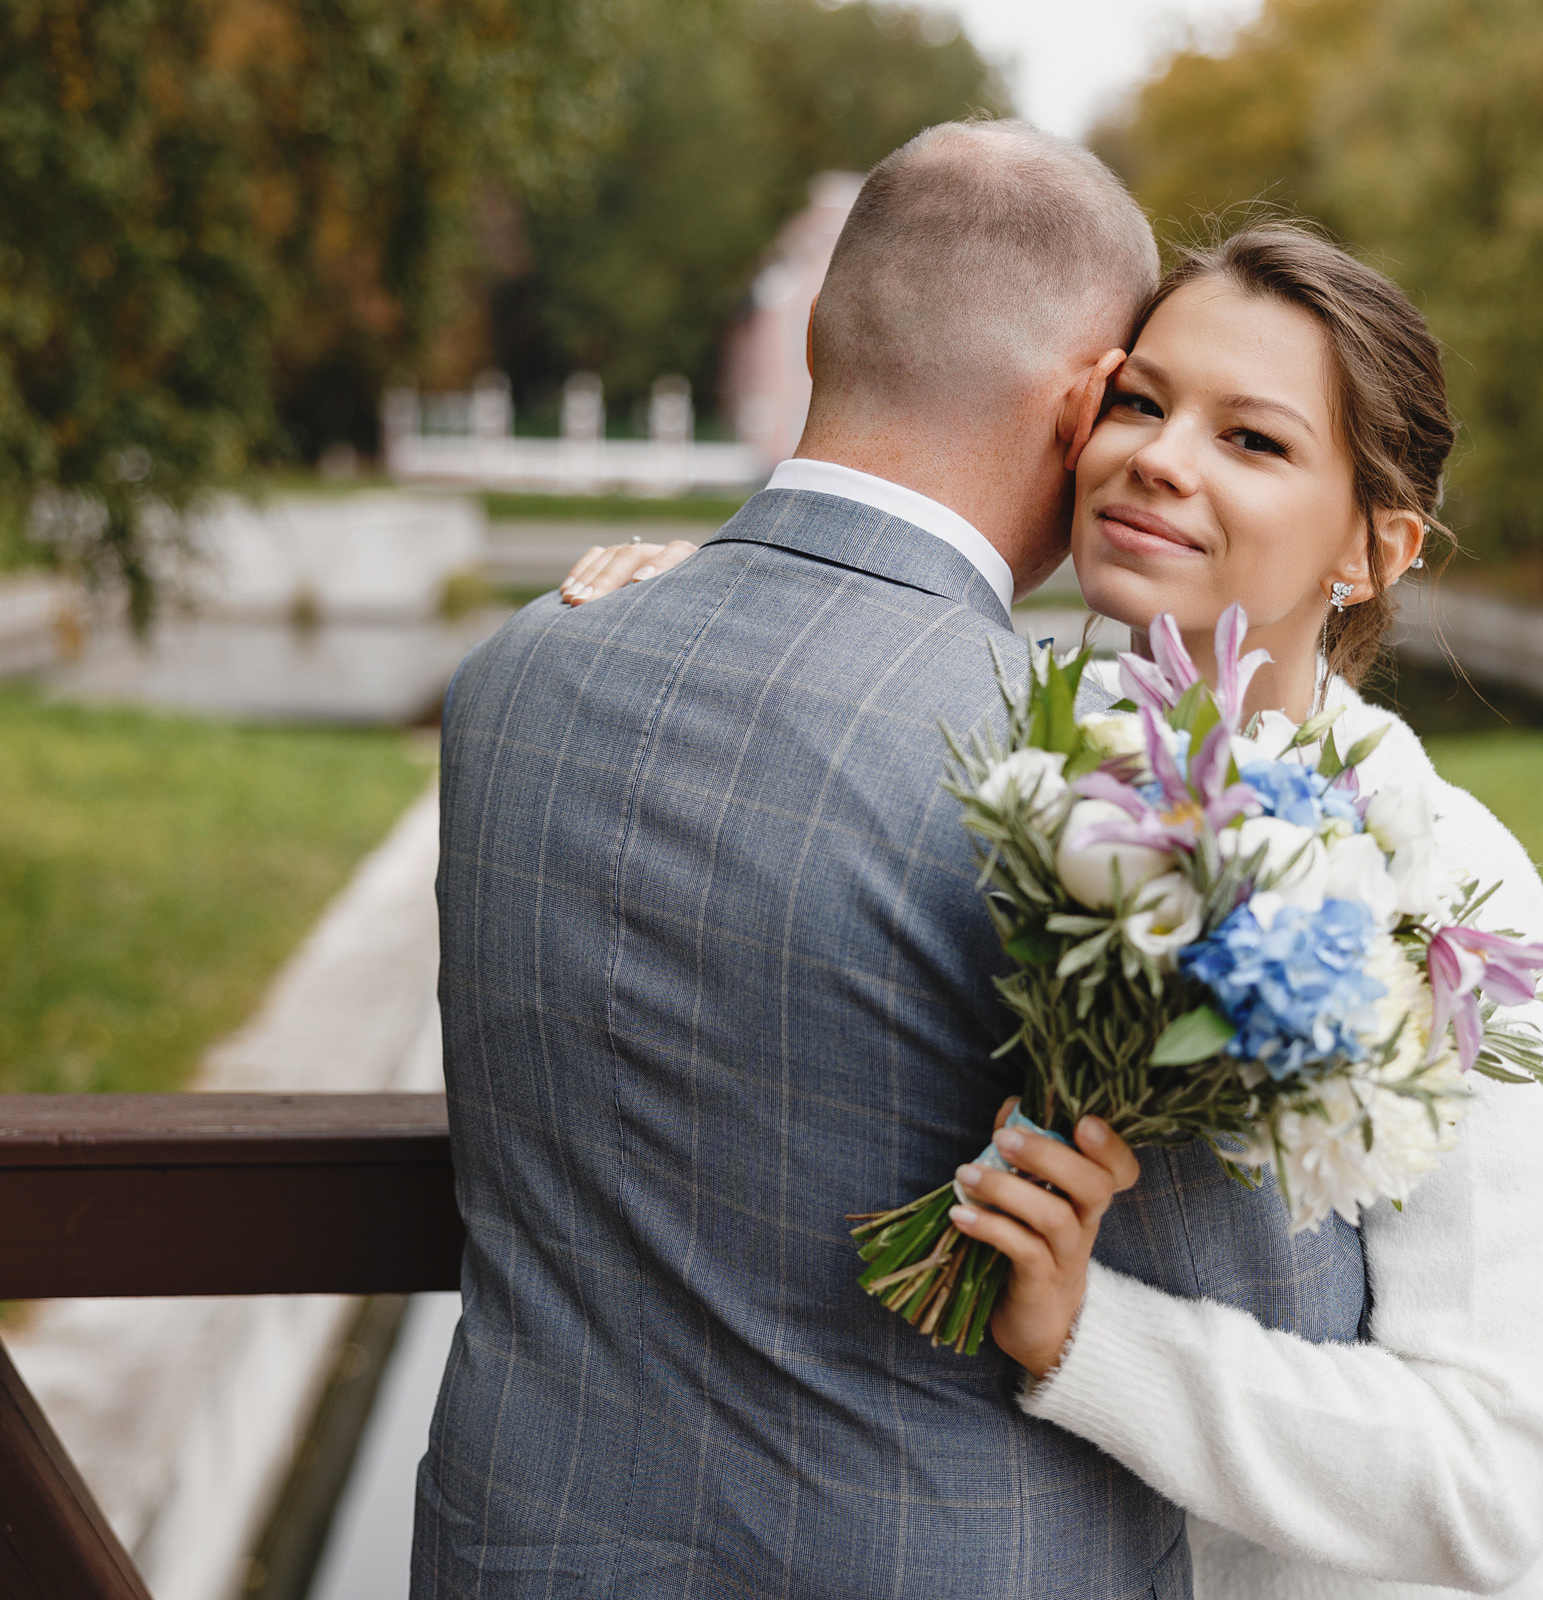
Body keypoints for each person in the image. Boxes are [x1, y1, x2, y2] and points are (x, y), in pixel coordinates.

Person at [560, 224, 1543, 1600]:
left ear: (1376, 549)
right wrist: (735, 602)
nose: (1158, 456)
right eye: (1140, 402)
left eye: (1254, 441)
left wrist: (1089, 1333)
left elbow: (1493, 1477)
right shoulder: (1025, 745)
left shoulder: (1448, 885)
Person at [419, 123, 1377, 1600]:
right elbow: (1285, 1321)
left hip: (516, 1548)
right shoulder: (1088, 784)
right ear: (1080, 408)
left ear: (818, 333)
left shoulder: (518, 676)